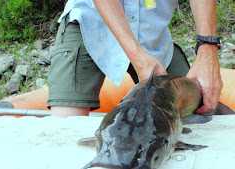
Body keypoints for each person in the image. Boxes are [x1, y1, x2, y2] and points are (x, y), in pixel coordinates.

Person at [47, 0, 222, 118]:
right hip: (91, 25)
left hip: (153, 32)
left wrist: (208, 49)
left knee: (201, 115)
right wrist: (137, 56)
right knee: (65, 127)